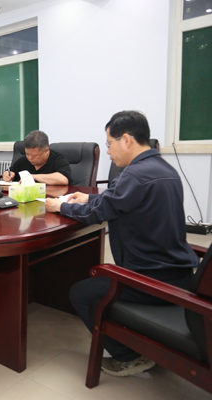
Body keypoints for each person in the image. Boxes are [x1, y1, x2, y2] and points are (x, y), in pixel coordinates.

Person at [45, 110, 199, 377]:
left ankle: (129, 357)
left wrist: (60, 206)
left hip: (152, 280)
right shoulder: (165, 170)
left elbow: (98, 214)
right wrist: (89, 198)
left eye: (109, 143)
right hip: (181, 275)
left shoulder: (135, 175)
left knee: (81, 293)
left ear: (126, 140)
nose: (107, 152)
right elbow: (119, 201)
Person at [2, 130, 71, 185]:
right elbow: (10, 172)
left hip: (51, 196)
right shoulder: (22, 161)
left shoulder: (58, 160)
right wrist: (7, 175)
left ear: (46, 151)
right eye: (27, 154)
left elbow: (63, 179)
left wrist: (33, 177)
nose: (29, 158)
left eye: (34, 156)